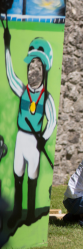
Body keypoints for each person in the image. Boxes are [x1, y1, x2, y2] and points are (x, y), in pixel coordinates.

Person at [3, 31, 57, 227]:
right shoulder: (22, 90)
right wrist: (7, 47)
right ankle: (17, 212)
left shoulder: (46, 97)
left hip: (35, 142)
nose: (32, 71)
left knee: (32, 177)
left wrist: (45, 136)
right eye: (30, 66)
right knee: (18, 174)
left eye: (38, 66)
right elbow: (10, 76)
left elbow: (52, 120)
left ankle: (31, 214)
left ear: (44, 70)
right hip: (21, 137)